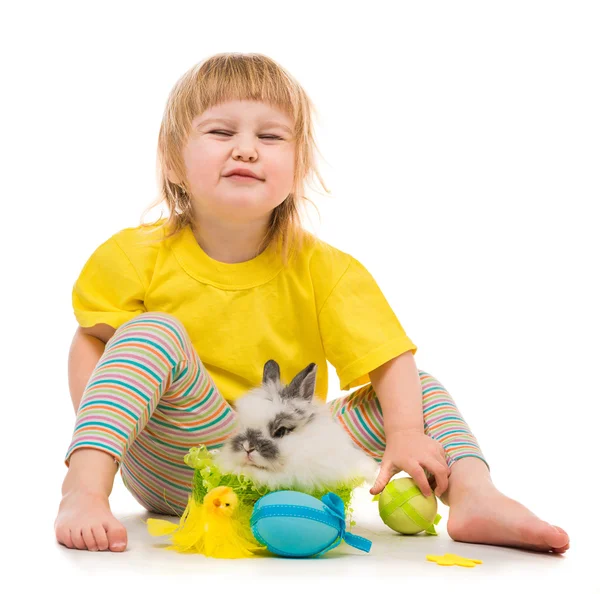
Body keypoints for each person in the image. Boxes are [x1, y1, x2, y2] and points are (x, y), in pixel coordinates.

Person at [55, 52, 570, 555]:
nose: (247, 150)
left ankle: (476, 497)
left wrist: (406, 433)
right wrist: (107, 438)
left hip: (288, 461)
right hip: (184, 460)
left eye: (271, 136)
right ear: (172, 160)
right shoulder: (134, 254)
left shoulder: (324, 269)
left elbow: (391, 359)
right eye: (221, 132)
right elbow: (94, 345)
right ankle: (83, 492)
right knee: (151, 333)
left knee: (416, 390)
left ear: (297, 166)